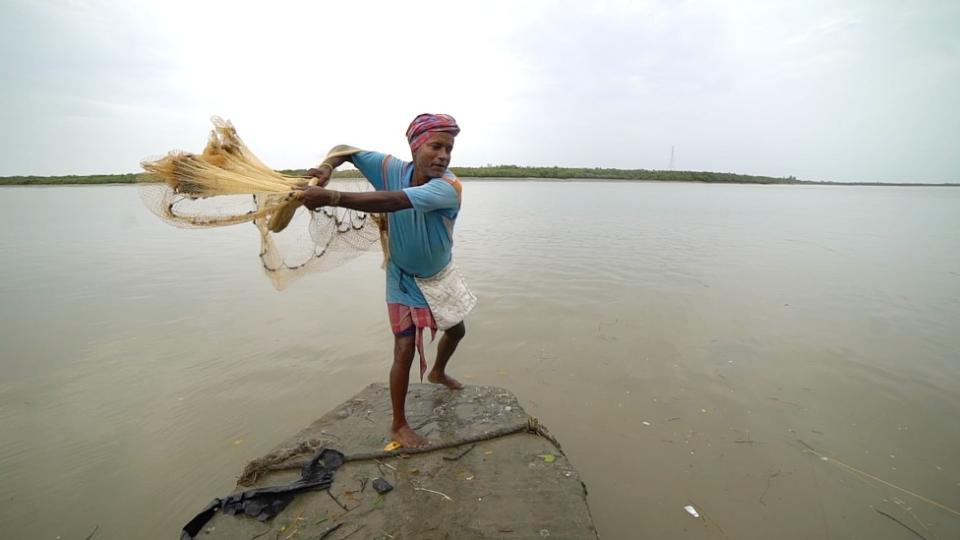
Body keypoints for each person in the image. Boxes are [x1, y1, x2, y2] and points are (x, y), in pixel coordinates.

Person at [301, 113, 470, 449]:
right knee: (404, 348)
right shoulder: (391, 169)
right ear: (416, 146)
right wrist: (327, 168)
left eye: (449, 149)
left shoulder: (448, 188)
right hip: (401, 275)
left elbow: (395, 201)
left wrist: (333, 197)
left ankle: (437, 372)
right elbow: (344, 149)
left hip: (439, 274)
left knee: (458, 330)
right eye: (436, 146)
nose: (443, 155)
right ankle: (399, 424)